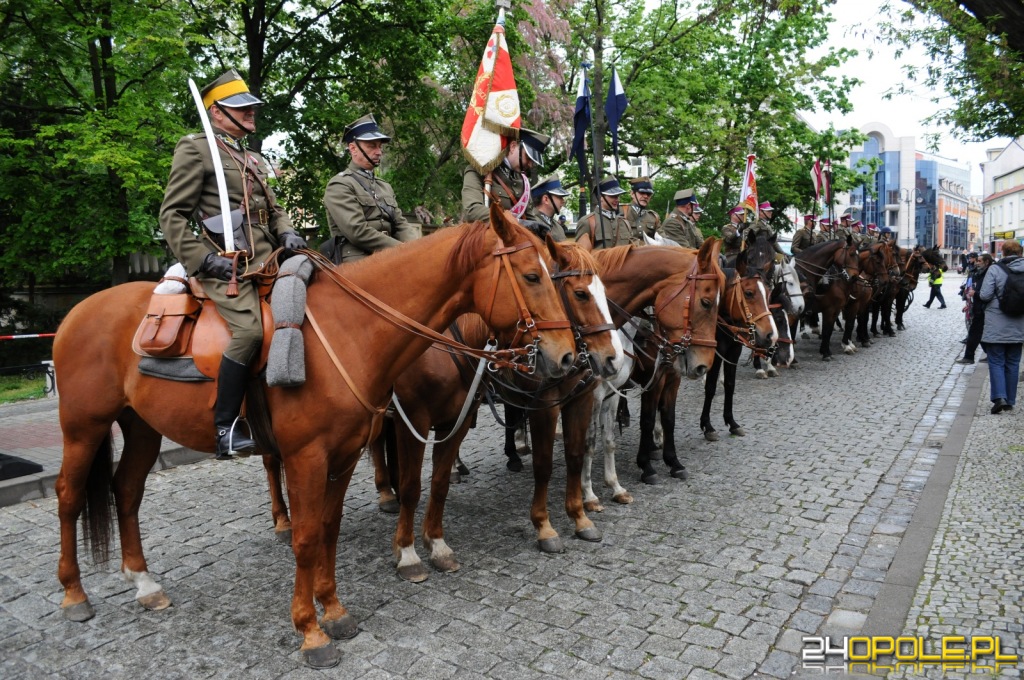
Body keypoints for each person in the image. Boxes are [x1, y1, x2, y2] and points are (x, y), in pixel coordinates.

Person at [159, 69, 307, 459]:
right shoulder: (195, 149)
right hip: (228, 265)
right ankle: (225, 428)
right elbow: (171, 215)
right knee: (249, 334)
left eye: (252, 107)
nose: (251, 113)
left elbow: (275, 210)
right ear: (217, 113)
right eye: (241, 108)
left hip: (271, 257)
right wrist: (203, 260)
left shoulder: (253, 157)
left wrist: (288, 231)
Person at [323, 114, 420, 263]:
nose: (379, 151)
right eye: (372, 146)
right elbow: (358, 232)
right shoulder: (339, 185)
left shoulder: (384, 186)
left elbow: (400, 224)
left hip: (391, 255)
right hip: (358, 260)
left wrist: (420, 248)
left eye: (380, 146)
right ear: (353, 148)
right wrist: (402, 251)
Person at [462, 128, 548, 225]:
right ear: (513, 146)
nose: (530, 164)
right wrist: (513, 223)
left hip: (515, 238)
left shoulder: (523, 182)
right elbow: (472, 211)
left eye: (533, 162)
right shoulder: (480, 170)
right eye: (528, 158)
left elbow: (530, 218)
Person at [978, 240, 1024, 413]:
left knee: (996, 361)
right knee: (1013, 362)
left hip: (996, 323)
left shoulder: (995, 269)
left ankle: (1000, 398)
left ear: (1003, 253)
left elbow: (985, 295)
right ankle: (1010, 400)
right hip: (1019, 323)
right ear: (1020, 253)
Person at [574, 176, 634, 250]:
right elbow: (581, 256)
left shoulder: (624, 222)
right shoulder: (588, 222)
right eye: (613, 196)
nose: (617, 199)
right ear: (600, 197)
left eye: (618, 196)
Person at [958, 253, 990, 364]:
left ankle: (969, 357)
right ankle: (970, 357)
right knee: (976, 333)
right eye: (977, 261)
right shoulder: (977, 273)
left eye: (980, 261)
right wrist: (969, 304)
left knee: (977, 333)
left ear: (987, 262)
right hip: (977, 307)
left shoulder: (989, 274)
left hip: (986, 309)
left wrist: (975, 294)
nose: (977, 263)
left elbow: (987, 293)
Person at [530, 174, 571, 241]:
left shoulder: (558, 227)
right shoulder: (530, 224)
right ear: (546, 199)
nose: (563, 201)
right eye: (559, 197)